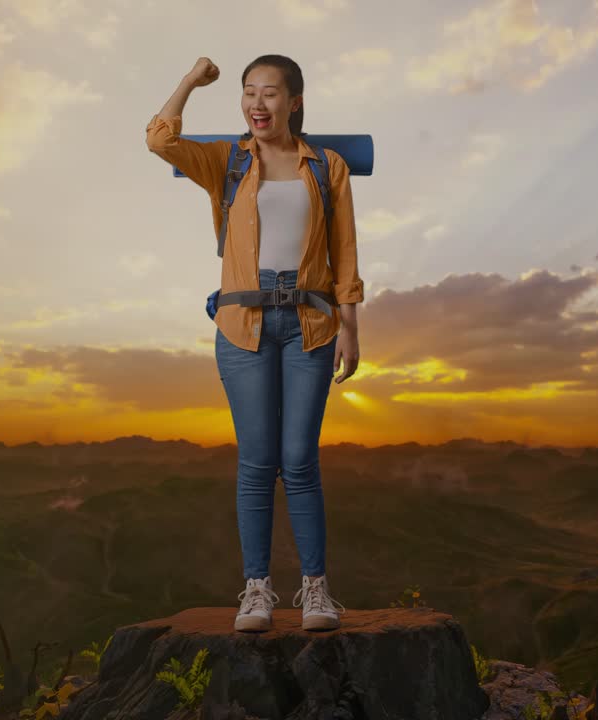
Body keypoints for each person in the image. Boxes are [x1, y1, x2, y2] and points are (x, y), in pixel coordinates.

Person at [145, 54, 365, 632]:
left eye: (270, 93)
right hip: (243, 325)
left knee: (300, 462)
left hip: (311, 325)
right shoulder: (227, 161)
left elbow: (344, 252)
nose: (257, 104)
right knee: (256, 462)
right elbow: (159, 140)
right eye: (248, 93)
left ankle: (315, 591)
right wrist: (191, 79)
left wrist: (350, 327)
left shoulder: (327, 167)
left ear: (294, 101)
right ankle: (257, 591)